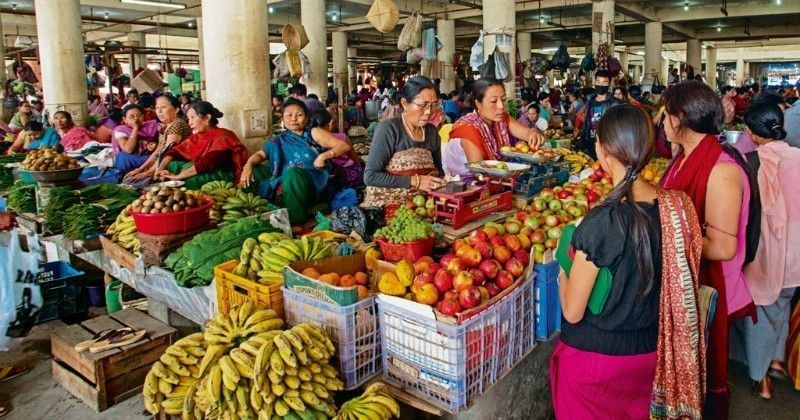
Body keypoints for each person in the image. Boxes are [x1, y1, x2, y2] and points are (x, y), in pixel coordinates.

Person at [552, 104, 705, 420]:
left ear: (603, 151)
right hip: (650, 357)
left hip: (595, 365)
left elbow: (572, 311)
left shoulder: (601, 223)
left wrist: (561, 269)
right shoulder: (676, 208)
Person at [660, 81, 756, 419]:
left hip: (707, 285)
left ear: (681, 118)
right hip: (684, 278)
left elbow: (723, 246)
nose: (662, 122)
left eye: (666, 115)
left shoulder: (723, 170)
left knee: (702, 369)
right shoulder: (683, 157)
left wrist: (662, 237)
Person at [731, 102, 800, 400]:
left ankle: (761, 379)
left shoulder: (750, 163)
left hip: (766, 251)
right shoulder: (798, 157)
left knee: (760, 310)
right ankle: (775, 358)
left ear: (750, 132)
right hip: (796, 251)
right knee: (783, 301)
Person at [239, 98, 351, 223]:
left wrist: (323, 156)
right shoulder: (279, 139)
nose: (294, 119)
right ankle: (254, 208)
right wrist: (247, 166)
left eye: (299, 115)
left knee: (292, 174)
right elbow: (260, 155)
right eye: (289, 115)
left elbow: (344, 146)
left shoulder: (313, 133)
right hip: (283, 177)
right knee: (256, 169)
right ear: (282, 119)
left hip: (311, 181)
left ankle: (296, 219)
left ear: (307, 118)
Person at [362, 76, 445, 208]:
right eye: (423, 105)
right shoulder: (389, 128)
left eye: (433, 105)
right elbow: (370, 176)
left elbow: (438, 170)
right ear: (405, 103)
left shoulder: (432, 131)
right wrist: (414, 181)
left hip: (424, 205)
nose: (429, 112)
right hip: (390, 207)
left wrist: (444, 180)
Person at [444, 78, 545, 179]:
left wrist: (533, 134)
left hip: (496, 178)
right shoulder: (469, 128)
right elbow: (479, 172)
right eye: (493, 101)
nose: (501, 106)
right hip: (465, 183)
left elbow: (526, 133)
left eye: (504, 99)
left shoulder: (501, 118)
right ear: (478, 104)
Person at [156, 101, 248, 189]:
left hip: (222, 175)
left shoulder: (223, 136)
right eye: (188, 119)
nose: (190, 123)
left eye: (192, 117)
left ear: (207, 118)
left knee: (189, 181)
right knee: (172, 164)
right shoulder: (196, 137)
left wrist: (177, 177)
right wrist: (159, 170)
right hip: (202, 170)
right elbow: (174, 152)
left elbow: (206, 163)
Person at [125, 95, 192, 183]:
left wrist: (148, 173)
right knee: (130, 181)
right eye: (157, 108)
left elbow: (166, 153)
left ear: (176, 109)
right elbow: (159, 150)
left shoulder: (177, 124)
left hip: (175, 165)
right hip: (163, 163)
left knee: (135, 183)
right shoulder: (166, 126)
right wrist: (140, 169)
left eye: (163, 107)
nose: (159, 111)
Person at [574, 70, 625, 159]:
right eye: (598, 82)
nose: (601, 85)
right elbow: (587, 122)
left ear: (609, 84)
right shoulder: (589, 101)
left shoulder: (616, 103)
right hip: (590, 145)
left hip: (608, 146)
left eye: (604, 82)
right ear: (595, 82)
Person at [309, 109, 365, 187]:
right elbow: (354, 158)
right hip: (346, 175)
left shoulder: (310, 140)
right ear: (330, 123)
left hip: (325, 178)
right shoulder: (342, 137)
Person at [111, 105, 160, 175]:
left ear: (143, 116)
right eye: (132, 117)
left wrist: (154, 145)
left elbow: (162, 143)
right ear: (125, 120)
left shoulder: (151, 125)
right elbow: (128, 149)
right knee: (122, 157)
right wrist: (135, 128)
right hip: (131, 159)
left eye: (139, 115)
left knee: (162, 156)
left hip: (147, 158)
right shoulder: (120, 130)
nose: (136, 118)